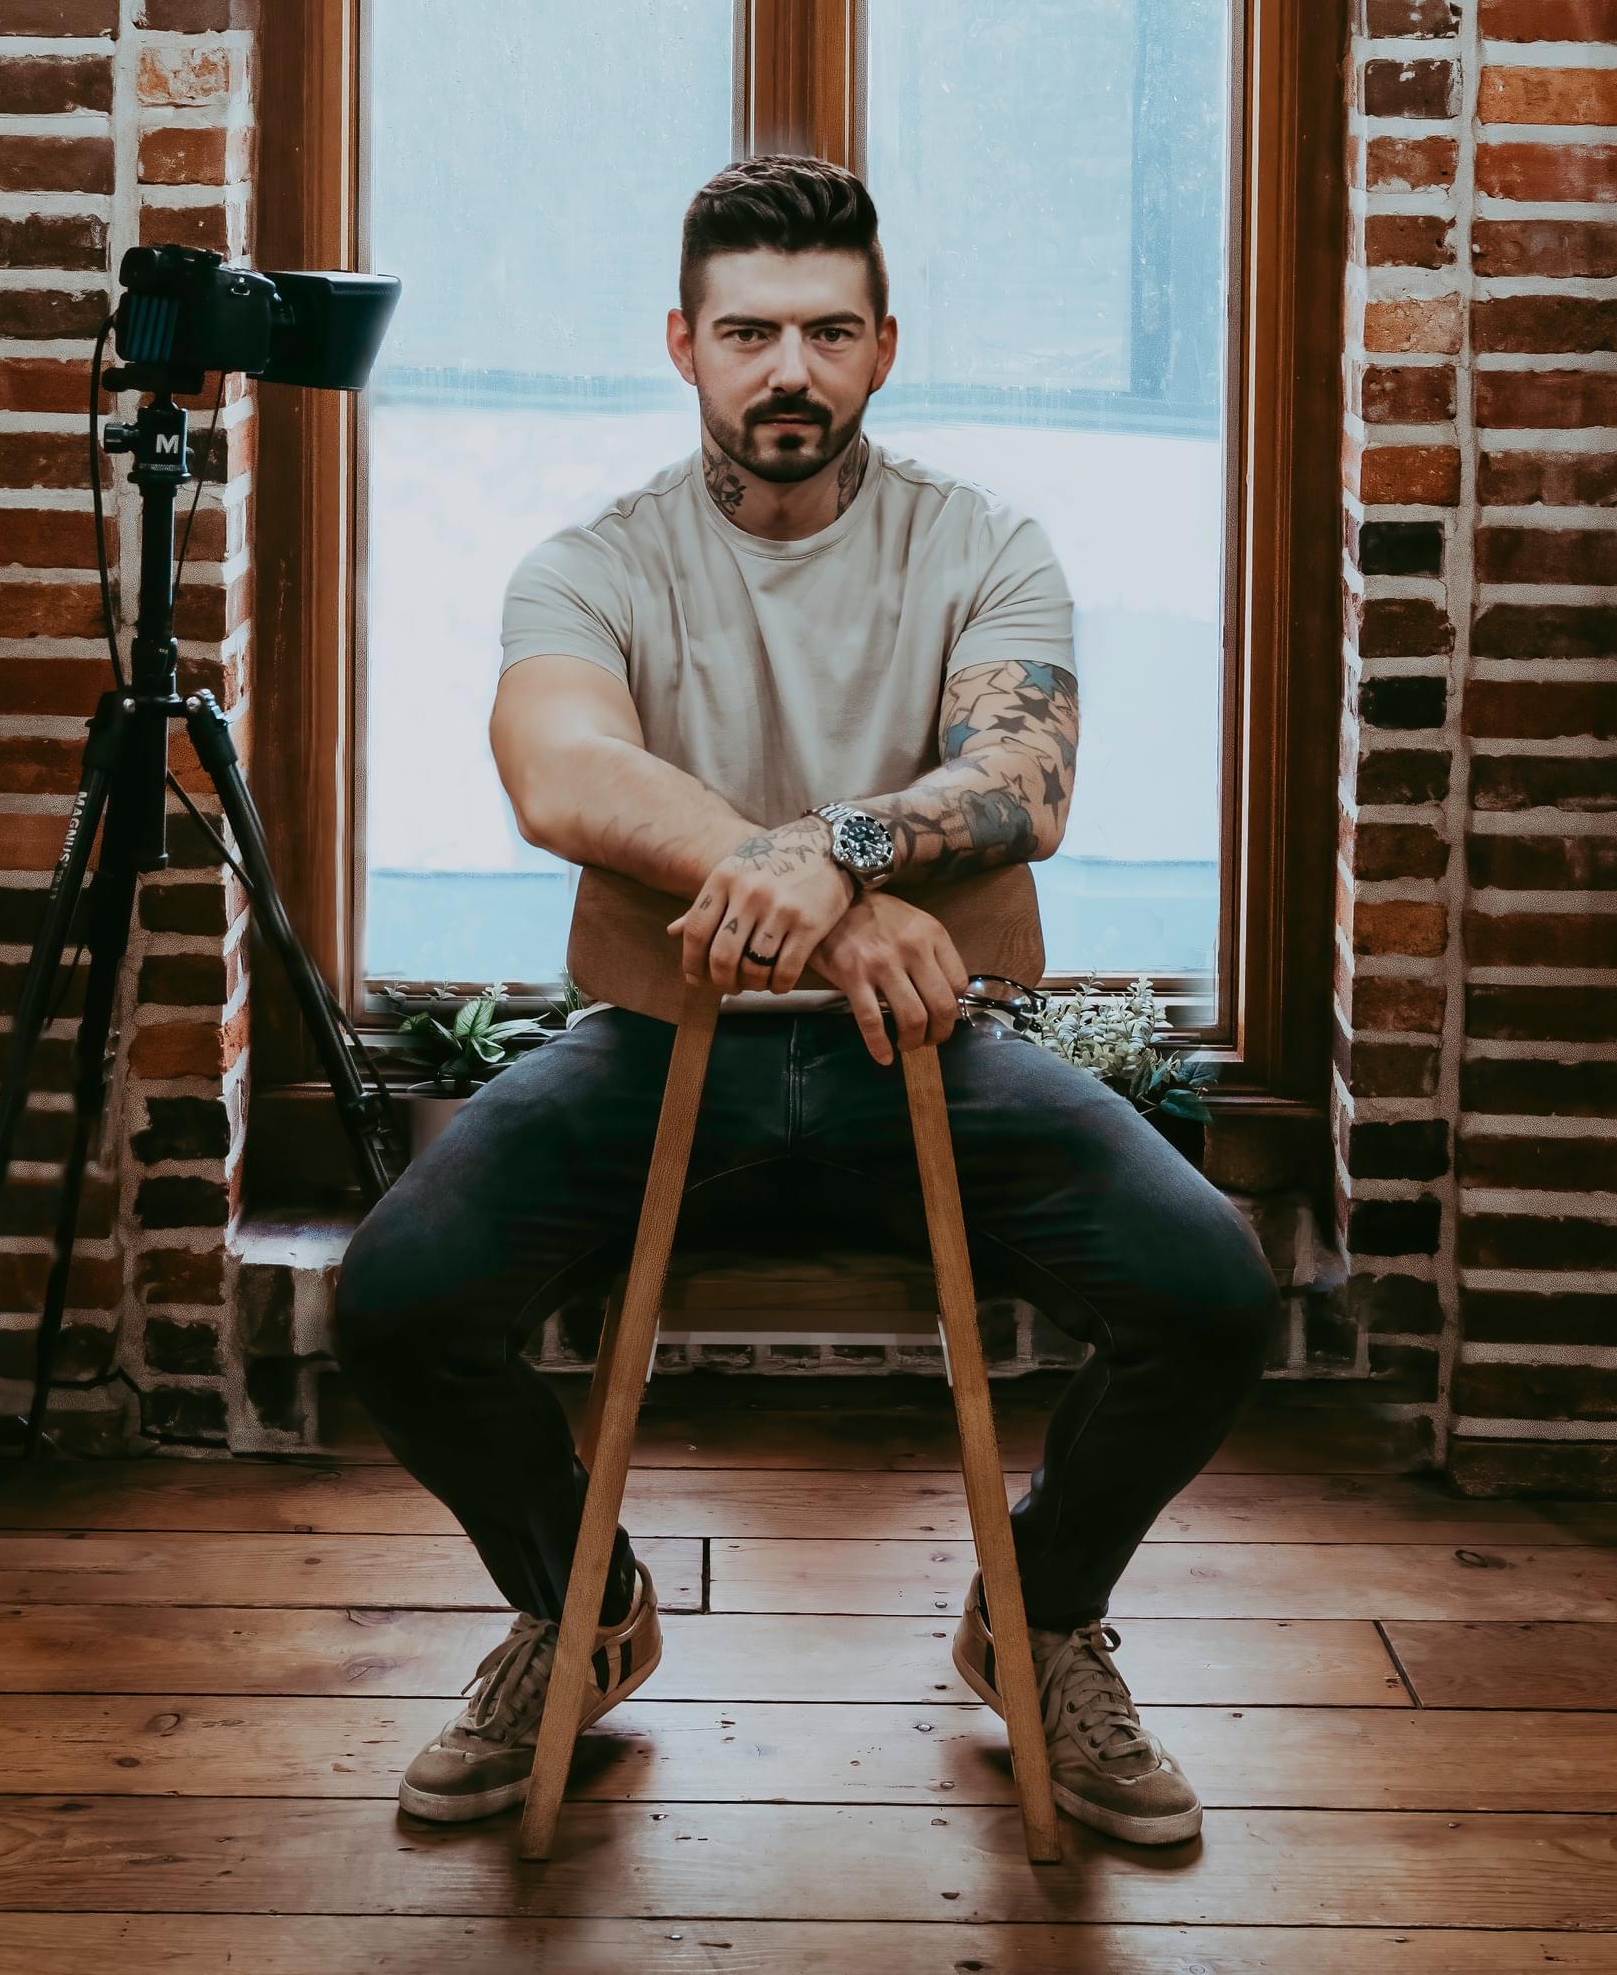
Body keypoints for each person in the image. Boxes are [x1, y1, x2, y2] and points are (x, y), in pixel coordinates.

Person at [334, 154, 1276, 1842]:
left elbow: (1025, 779)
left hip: (928, 1054)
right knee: (398, 1302)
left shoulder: (982, 542)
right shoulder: (594, 562)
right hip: (657, 1053)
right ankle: (579, 1610)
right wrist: (832, 909)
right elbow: (559, 773)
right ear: (683, 344)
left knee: (1210, 1292)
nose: (790, 370)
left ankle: (1041, 1616)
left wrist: (836, 850)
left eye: (830, 333)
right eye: (750, 332)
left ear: (883, 348)